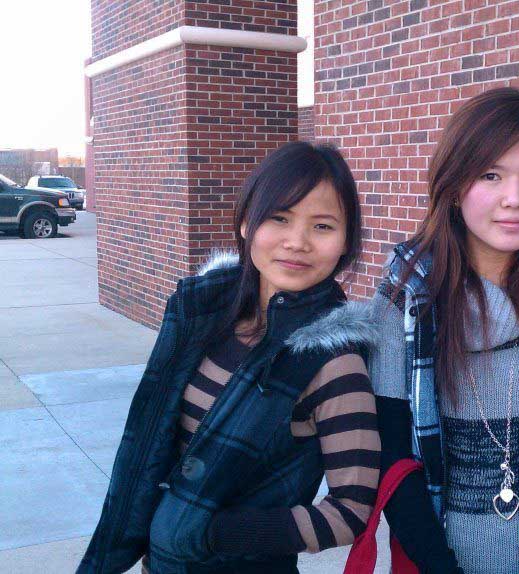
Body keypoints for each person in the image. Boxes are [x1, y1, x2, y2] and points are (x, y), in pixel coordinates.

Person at [79, 142, 381, 574]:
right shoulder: (202, 316)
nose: (296, 242)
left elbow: (351, 511)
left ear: (345, 242)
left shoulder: (331, 362)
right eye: (279, 218)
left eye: (323, 226)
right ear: (246, 222)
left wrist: (209, 534)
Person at [368, 87, 519, 573]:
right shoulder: (406, 293)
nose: (514, 199)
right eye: (490, 174)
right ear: (455, 186)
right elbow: (391, 454)